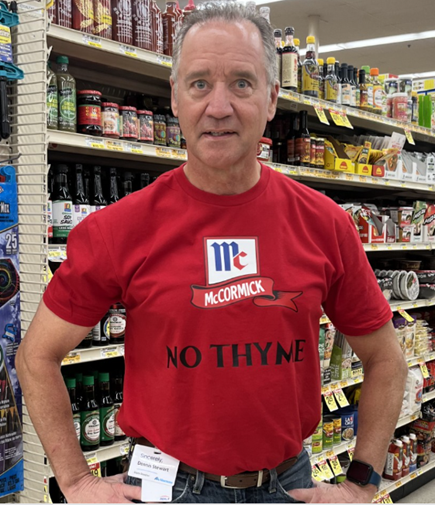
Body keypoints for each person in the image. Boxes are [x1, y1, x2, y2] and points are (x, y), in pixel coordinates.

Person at [16, 2, 408, 503]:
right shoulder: (119, 229)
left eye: (242, 83)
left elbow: (386, 360)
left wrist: (361, 485)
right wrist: (75, 481)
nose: (218, 107)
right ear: (175, 97)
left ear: (272, 98)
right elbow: (36, 356)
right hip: (165, 486)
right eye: (199, 83)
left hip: (287, 486)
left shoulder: (325, 223)